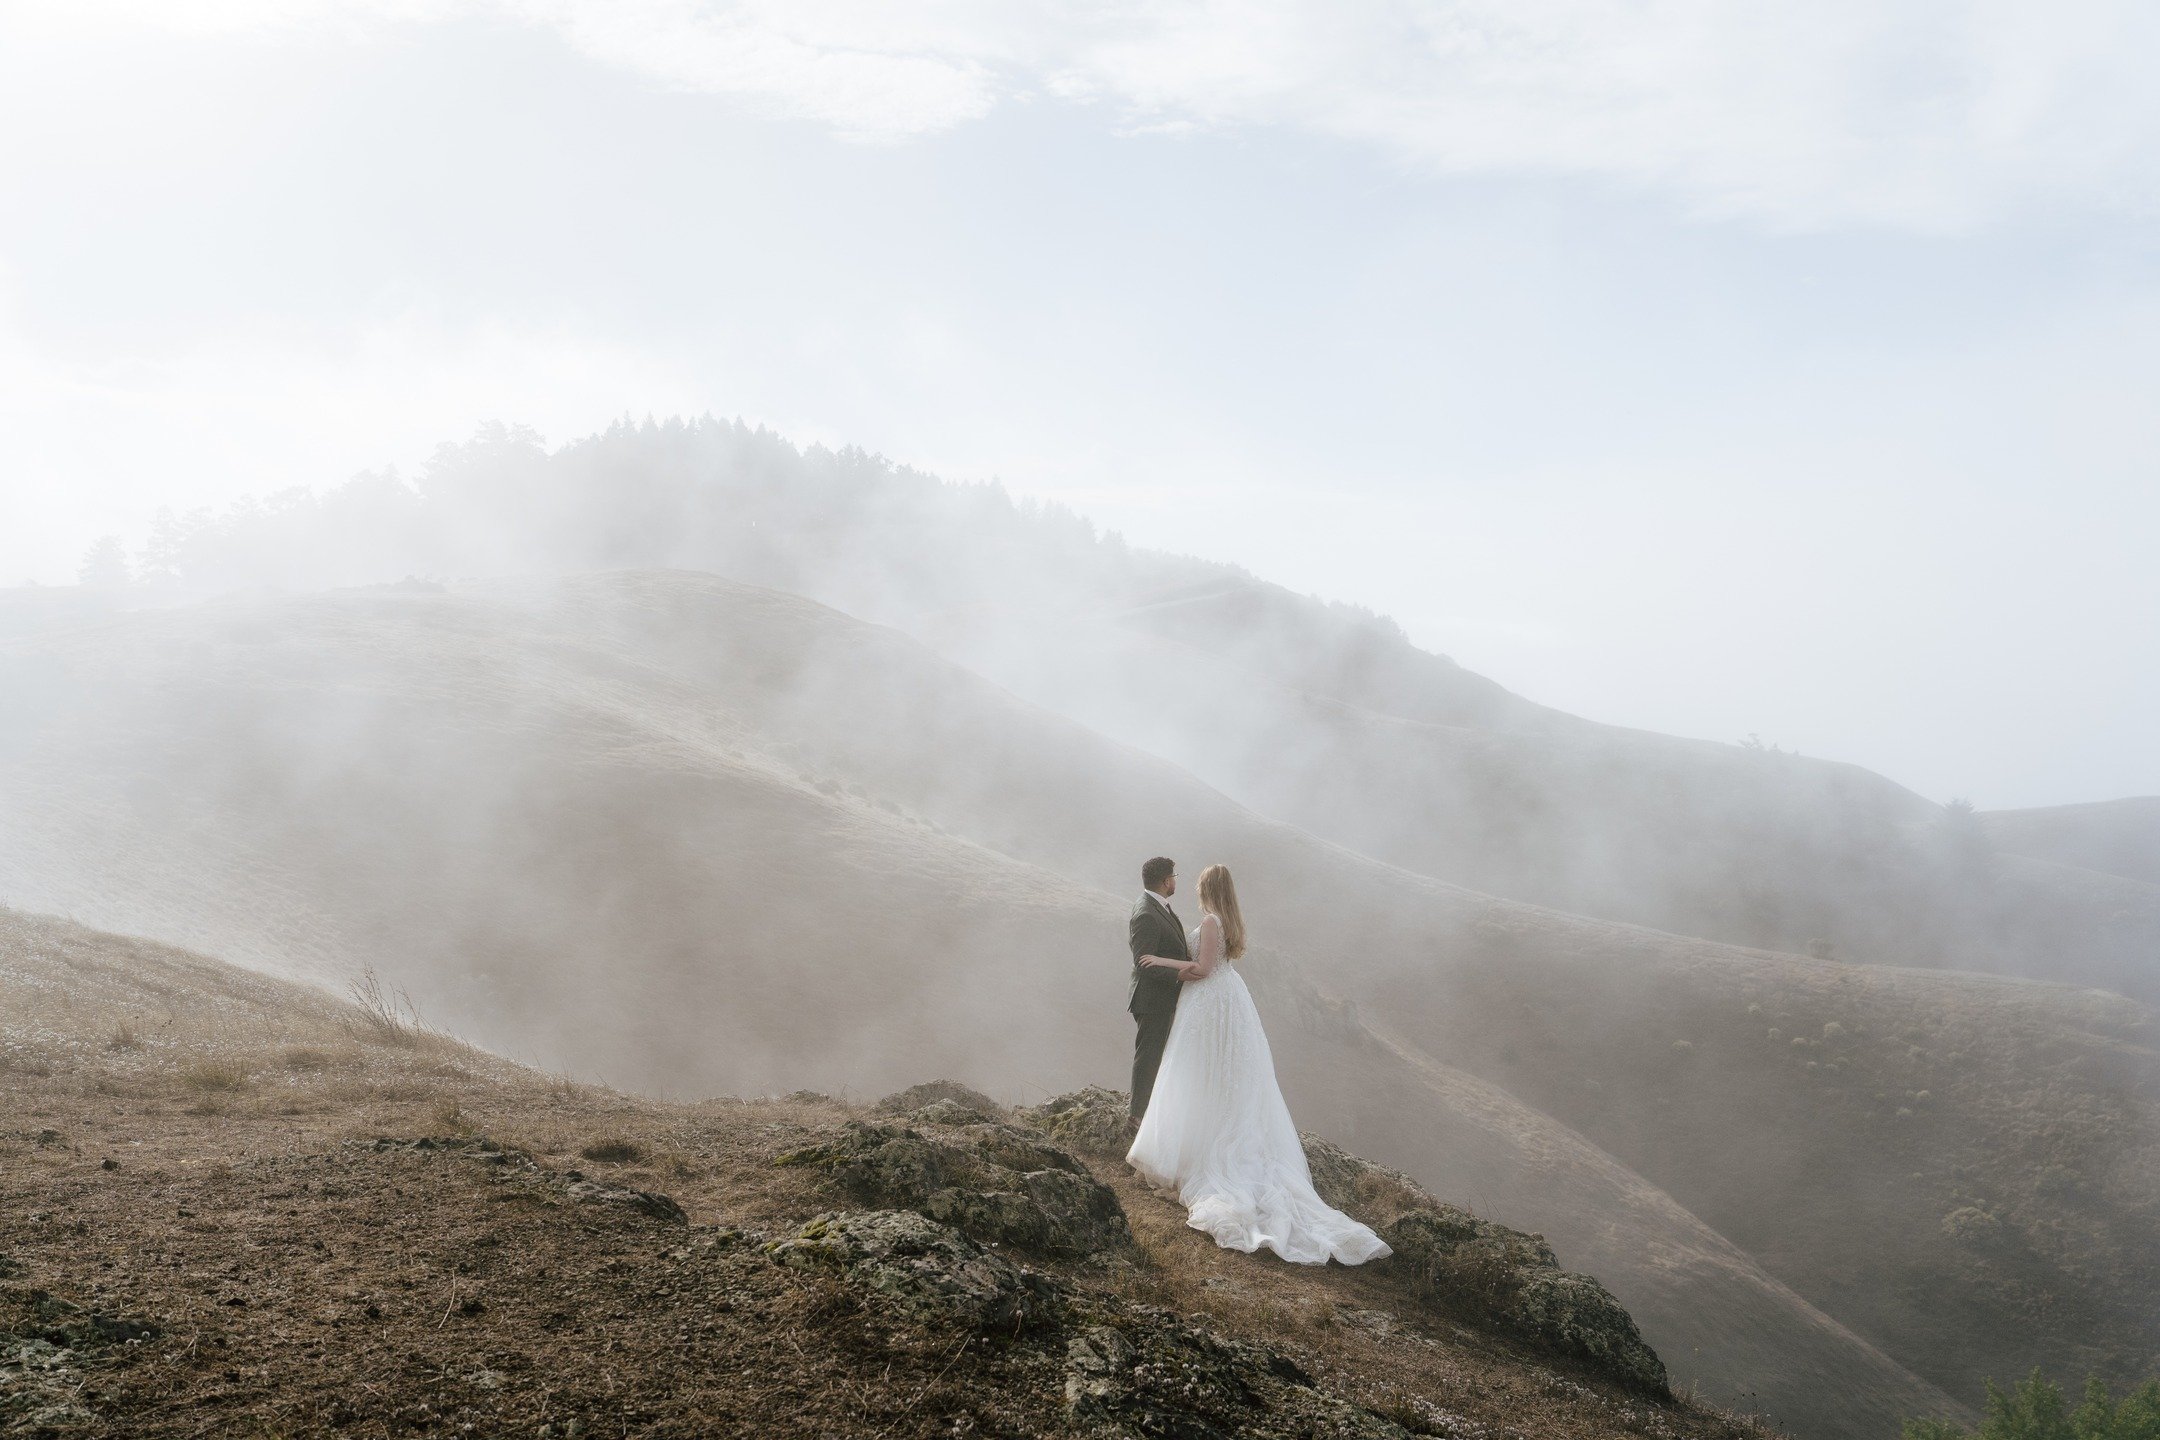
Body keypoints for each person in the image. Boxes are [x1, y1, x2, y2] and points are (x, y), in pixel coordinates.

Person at [1124, 863, 1392, 1265]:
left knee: (1200, 1073)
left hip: (1210, 1002)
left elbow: (1201, 969)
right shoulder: (1225, 920)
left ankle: (1195, 1149)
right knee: (1214, 1077)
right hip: (1222, 1000)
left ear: (1208, 889)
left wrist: (1161, 962)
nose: (1190, 888)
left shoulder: (1211, 923)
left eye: (1197, 885)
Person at [1127, 856, 1188, 1121]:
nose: (1175, 881)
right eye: (1174, 876)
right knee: (1149, 1059)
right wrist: (1181, 974)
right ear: (1166, 881)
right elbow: (1144, 963)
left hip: (1160, 999)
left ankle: (1149, 1113)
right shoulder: (1146, 913)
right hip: (1153, 1000)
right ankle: (1137, 1117)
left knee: (1156, 1057)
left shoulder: (1156, 905)